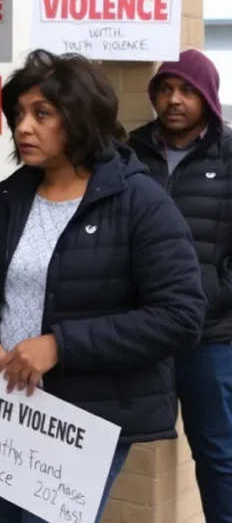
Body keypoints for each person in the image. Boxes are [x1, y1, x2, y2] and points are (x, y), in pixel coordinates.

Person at [0, 49, 206, 523]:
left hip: (85, 419)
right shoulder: (8, 197)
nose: (23, 127)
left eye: (42, 114)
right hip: (3, 408)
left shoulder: (140, 201)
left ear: (81, 118)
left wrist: (58, 345)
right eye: (19, 114)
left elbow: (181, 316)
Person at [127, 48, 232, 523]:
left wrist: (205, 299)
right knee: (106, 443)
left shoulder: (229, 156)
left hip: (210, 338)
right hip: (139, 334)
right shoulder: (129, 153)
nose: (173, 99)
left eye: (186, 90)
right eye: (165, 88)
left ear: (206, 97)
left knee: (217, 455)